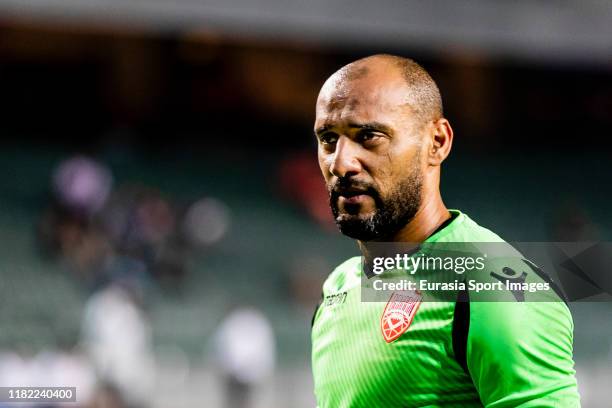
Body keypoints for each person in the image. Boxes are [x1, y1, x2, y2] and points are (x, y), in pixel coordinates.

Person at [310, 54, 580, 407]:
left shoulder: (493, 287)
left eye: (369, 136)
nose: (341, 163)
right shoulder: (338, 288)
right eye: (329, 138)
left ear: (436, 142)